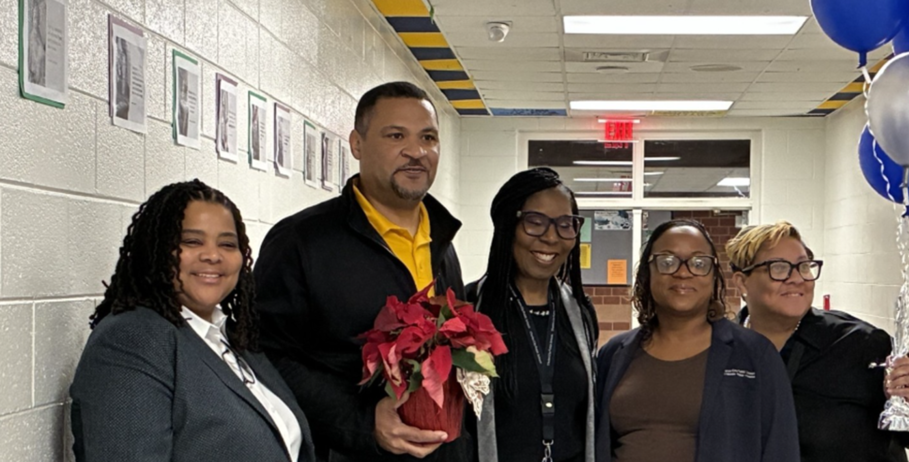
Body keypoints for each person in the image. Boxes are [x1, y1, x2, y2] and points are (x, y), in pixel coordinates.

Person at [254, 81, 470, 462]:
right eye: (396, 135)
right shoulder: (302, 241)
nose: (416, 151)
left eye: (428, 138)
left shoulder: (442, 241)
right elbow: (265, 358)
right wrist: (363, 422)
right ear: (357, 144)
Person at [70, 179, 315, 462]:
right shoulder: (132, 340)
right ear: (157, 249)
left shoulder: (231, 338)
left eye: (227, 244)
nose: (212, 255)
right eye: (192, 241)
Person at [725, 221, 909, 462]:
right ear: (742, 281)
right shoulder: (721, 350)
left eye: (803, 266)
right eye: (779, 268)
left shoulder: (859, 344)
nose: (797, 278)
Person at [596, 219, 800, 462]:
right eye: (667, 262)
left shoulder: (755, 354)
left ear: (714, 277)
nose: (683, 272)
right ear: (647, 273)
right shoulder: (614, 354)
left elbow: (781, 448)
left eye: (699, 263)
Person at [466, 167, 598, 462]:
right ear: (508, 227)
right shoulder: (469, 309)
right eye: (535, 223)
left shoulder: (581, 314)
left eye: (565, 224)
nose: (551, 237)